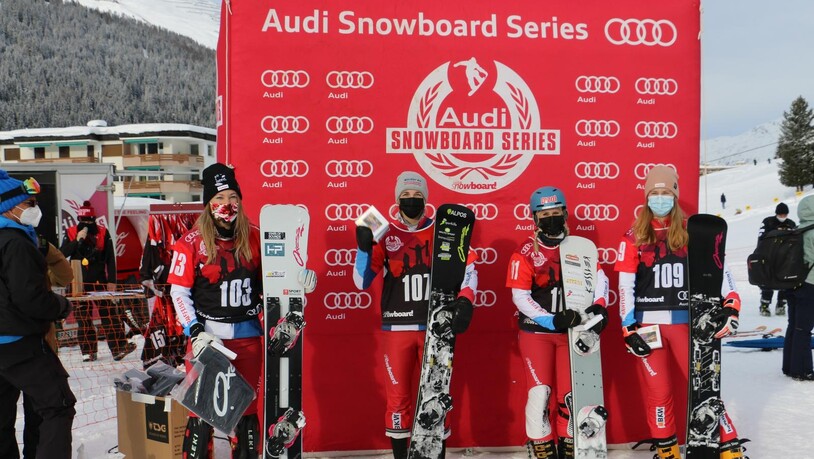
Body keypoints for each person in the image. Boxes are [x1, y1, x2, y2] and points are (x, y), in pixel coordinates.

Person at [168, 163, 317, 458]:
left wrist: (298, 286)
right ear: (208, 203)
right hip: (208, 341)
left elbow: (275, 285)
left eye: (232, 197)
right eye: (219, 198)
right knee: (201, 416)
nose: (227, 204)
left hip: (247, 339)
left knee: (246, 416)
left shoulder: (256, 238)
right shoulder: (190, 243)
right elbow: (178, 292)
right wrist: (195, 331)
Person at [614, 166, 745, 459]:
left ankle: (730, 447)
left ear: (674, 195)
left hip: (688, 324)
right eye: (654, 193)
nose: (660, 198)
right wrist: (628, 327)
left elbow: (722, 271)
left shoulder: (693, 232)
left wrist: (731, 305)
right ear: (646, 197)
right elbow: (625, 286)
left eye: (665, 192)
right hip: (649, 326)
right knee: (658, 394)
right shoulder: (633, 236)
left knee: (706, 391)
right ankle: (667, 451)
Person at [353, 171, 477, 459]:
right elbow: (361, 282)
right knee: (398, 401)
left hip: (436, 328)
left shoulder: (444, 229)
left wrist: (466, 300)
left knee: (437, 396)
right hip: (397, 327)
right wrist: (363, 249)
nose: (411, 200)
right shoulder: (383, 231)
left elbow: (469, 269)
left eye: (417, 195)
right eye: (405, 196)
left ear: (426, 199)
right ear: (397, 200)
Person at [505, 187, 609, 459]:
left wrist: (600, 307)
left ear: (564, 213)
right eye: (544, 214)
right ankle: (542, 450)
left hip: (572, 332)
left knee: (570, 396)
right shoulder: (525, 252)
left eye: (555, 212)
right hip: (537, 332)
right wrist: (551, 320)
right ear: (534, 218)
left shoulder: (580, 248)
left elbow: (600, 280)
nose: (550, 218)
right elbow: (520, 296)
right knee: (540, 394)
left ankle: (569, 447)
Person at [0, 171, 76, 458]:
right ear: (10, 207)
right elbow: (29, 298)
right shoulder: (16, 242)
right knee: (57, 407)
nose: (34, 209)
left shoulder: (24, 239)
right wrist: (60, 306)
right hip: (20, 343)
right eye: (28, 203)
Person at [60, 200, 133, 362]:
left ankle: (119, 348)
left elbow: (111, 258)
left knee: (109, 314)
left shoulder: (103, 233)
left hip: (99, 281)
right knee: (83, 319)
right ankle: (88, 352)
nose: (86, 224)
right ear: (79, 220)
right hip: (78, 282)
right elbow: (62, 253)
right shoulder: (71, 232)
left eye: (89, 221)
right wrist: (77, 240)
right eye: (83, 221)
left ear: (94, 219)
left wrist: (112, 280)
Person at [784, 195, 814, 381]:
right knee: (804, 329)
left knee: (793, 325)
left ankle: (789, 366)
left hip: (793, 284)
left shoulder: (796, 230)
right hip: (810, 284)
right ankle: (803, 370)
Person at [757, 202, 796, 316]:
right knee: (768, 282)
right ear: (776, 213)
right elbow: (761, 237)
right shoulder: (768, 222)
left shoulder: (791, 223)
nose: (783, 217)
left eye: (785, 215)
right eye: (780, 215)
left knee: (785, 282)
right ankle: (764, 305)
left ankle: (781, 304)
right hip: (769, 256)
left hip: (785, 258)